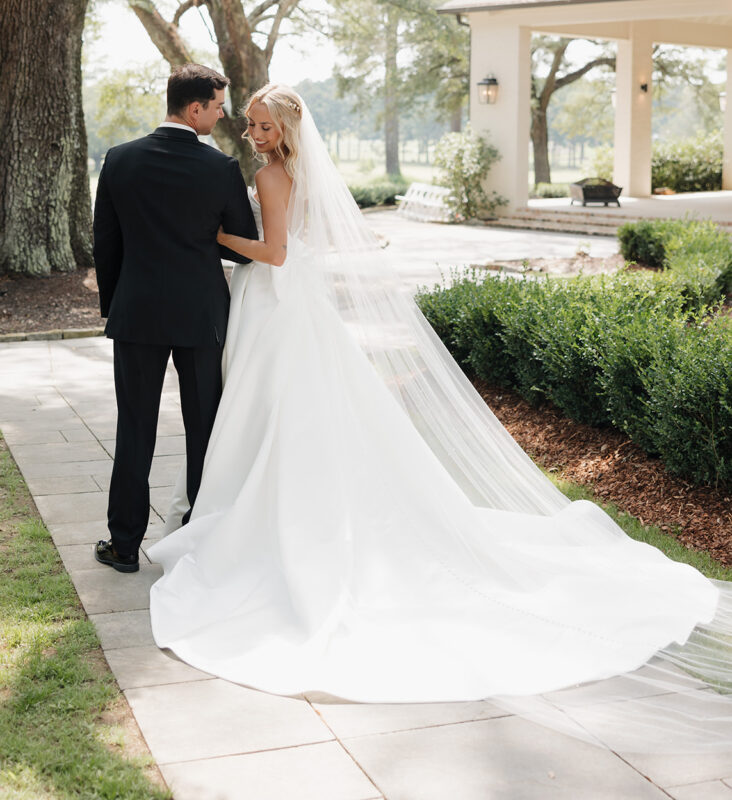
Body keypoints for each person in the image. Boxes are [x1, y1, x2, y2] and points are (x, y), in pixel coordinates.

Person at [148, 84, 732, 752]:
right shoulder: (295, 171)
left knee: (277, 411)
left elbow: (276, 253)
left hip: (277, 302)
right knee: (295, 413)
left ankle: (273, 516)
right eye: (248, 125)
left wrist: (217, 236)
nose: (249, 134)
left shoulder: (272, 176)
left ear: (280, 132)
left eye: (257, 126)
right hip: (291, 306)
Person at [92, 63, 257, 573]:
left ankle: (123, 547)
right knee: (204, 429)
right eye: (216, 107)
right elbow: (246, 250)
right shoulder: (221, 169)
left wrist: (117, 308)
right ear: (195, 108)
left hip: (136, 313)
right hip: (202, 317)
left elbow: (106, 248)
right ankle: (196, 542)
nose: (220, 116)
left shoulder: (119, 160)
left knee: (134, 428)